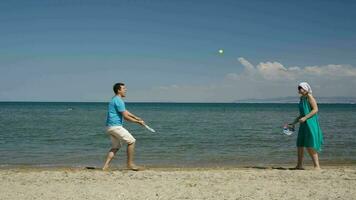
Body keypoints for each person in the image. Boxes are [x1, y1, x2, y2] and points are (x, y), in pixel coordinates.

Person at [103, 82, 145, 171]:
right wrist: (138, 122)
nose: (125, 90)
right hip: (115, 127)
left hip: (109, 127)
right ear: (119, 90)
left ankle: (105, 166)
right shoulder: (119, 100)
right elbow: (125, 117)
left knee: (116, 146)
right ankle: (130, 164)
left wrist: (136, 117)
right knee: (132, 141)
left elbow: (124, 111)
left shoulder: (114, 99)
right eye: (124, 89)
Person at [289, 82, 323, 170]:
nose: (299, 89)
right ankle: (299, 165)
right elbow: (302, 114)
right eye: (299, 88)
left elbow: (315, 109)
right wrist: (293, 123)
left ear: (306, 89)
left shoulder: (309, 97)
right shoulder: (302, 99)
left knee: (310, 144)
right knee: (300, 144)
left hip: (310, 123)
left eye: (301, 88)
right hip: (303, 124)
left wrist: (305, 118)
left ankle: (317, 166)